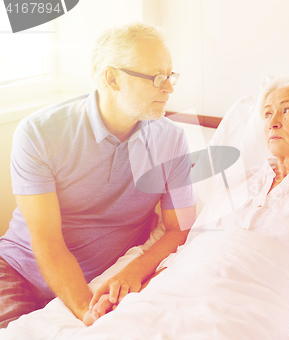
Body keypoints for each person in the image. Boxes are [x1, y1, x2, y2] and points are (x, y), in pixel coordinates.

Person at [81, 77, 289, 339]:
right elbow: (190, 249)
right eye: (267, 114)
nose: (273, 122)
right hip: (180, 290)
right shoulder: (237, 182)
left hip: (258, 310)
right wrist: (135, 299)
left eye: (287, 110)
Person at [0, 22, 196, 327]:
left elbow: (179, 227)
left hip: (102, 279)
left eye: (170, 75)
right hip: (18, 271)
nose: (169, 88)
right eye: (157, 78)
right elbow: (47, 240)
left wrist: (133, 272)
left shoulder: (171, 140)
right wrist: (83, 310)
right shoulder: (40, 133)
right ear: (112, 78)